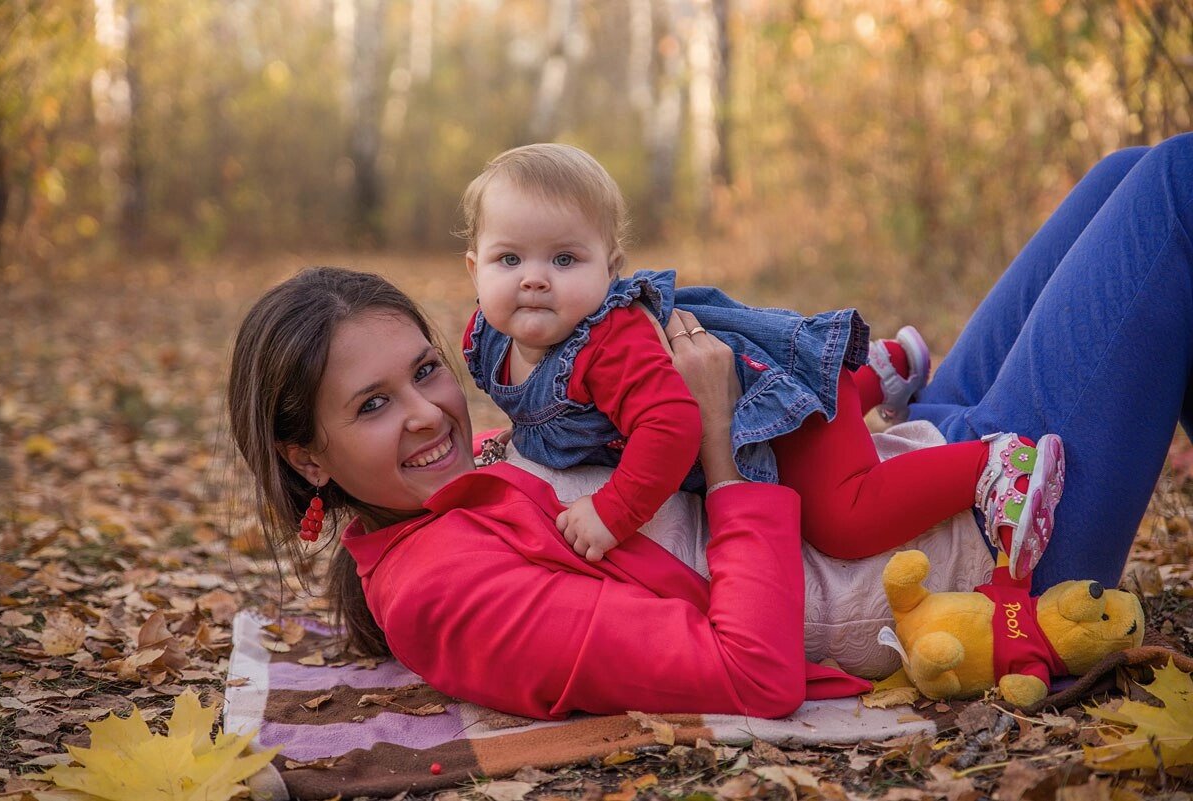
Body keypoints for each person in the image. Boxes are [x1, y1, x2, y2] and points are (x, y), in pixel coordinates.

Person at [226, 132, 1193, 719]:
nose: (429, 412)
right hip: (989, 543)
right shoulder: (450, 595)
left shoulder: (453, 487)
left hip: (918, 458)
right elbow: (752, 672)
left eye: (426, 371)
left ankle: (880, 382)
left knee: (1124, 173)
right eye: (371, 405)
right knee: (1176, 194)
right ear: (305, 454)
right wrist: (722, 441)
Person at [459, 143, 1063, 579]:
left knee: (842, 522)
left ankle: (992, 464)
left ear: (610, 268)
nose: (534, 280)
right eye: (509, 260)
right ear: (475, 267)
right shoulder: (489, 336)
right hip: (760, 388)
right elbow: (548, 404)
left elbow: (671, 429)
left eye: (564, 260)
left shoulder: (610, 343)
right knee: (823, 407)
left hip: (768, 424)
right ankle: (874, 374)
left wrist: (613, 513)